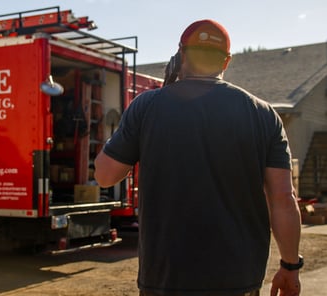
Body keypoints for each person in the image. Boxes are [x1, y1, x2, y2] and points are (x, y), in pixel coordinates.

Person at [94, 19, 302, 296]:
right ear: (226, 62)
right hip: (238, 277)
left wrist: (129, 132)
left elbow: (105, 175)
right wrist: (290, 266)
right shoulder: (264, 115)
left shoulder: (146, 106)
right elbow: (283, 200)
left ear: (181, 55)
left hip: (165, 277)